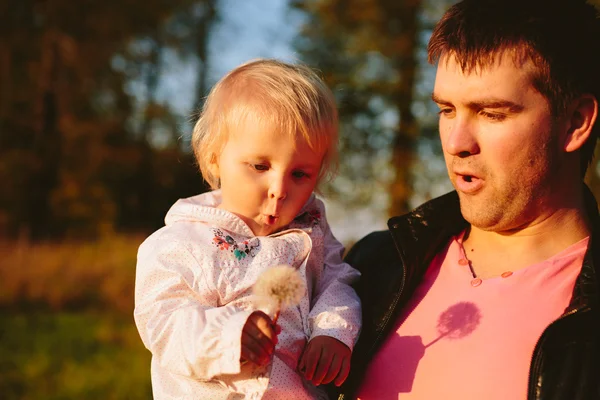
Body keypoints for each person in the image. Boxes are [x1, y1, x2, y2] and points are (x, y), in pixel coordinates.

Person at [332, 0, 600, 399]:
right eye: (446, 109)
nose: (456, 143)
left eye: (491, 113)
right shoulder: (370, 269)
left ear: (576, 122)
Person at [133, 59, 361, 400]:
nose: (280, 189)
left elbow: (337, 282)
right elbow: (164, 323)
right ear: (213, 157)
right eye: (260, 165)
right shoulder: (179, 243)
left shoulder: (312, 229)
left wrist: (333, 331)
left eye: (300, 174)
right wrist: (228, 335)